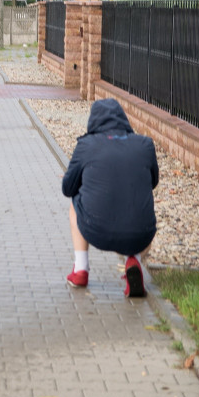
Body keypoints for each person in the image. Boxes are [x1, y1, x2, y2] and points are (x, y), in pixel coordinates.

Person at [62, 98, 159, 297]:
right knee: (137, 202)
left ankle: (81, 269)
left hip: (95, 230)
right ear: (123, 119)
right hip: (141, 234)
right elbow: (153, 182)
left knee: (75, 202)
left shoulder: (86, 145)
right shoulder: (145, 144)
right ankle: (134, 261)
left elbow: (67, 188)